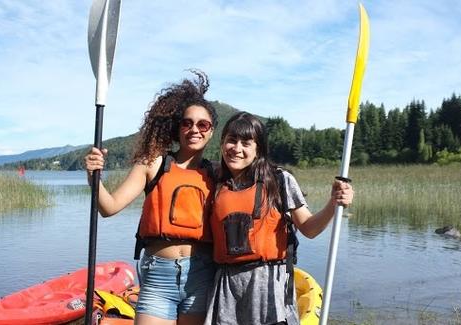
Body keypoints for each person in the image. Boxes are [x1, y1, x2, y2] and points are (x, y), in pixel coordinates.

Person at [84, 70, 218, 325]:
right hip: (158, 275)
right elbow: (108, 207)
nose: (194, 130)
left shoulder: (216, 173)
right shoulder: (153, 164)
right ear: (177, 127)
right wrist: (94, 178)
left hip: (201, 275)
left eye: (203, 125)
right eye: (187, 123)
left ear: (211, 132)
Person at [204, 112, 354, 325]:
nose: (237, 149)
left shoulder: (279, 181)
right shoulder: (214, 184)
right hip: (227, 286)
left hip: (267, 285)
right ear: (222, 143)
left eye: (246, 143)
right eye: (231, 140)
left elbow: (309, 228)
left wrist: (333, 203)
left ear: (259, 149)